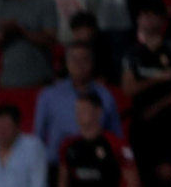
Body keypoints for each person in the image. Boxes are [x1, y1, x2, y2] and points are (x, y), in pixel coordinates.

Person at [121, 3, 171, 187]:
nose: (148, 20)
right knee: (145, 176)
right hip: (143, 123)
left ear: (163, 21)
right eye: (143, 15)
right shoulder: (132, 53)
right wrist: (159, 78)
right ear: (138, 21)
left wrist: (159, 106)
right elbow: (128, 88)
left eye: (153, 16)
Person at [34, 42, 123, 170]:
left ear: (92, 63)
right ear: (67, 63)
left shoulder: (105, 96)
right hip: (57, 166)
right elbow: (38, 137)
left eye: (84, 59)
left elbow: (116, 135)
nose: (79, 65)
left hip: (98, 166)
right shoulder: (48, 95)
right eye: (74, 59)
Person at [57, 93, 138, 187]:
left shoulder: (117, 145)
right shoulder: (68, 145)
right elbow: (63, 181)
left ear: (98, 112)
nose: (79, 114)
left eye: (84, 110)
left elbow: (133, 184)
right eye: (77, 110)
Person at [0, 0, 57, 89]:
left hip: (38, 79)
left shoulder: (45, 2)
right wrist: (2, 34)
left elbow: (50, 39)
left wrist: (21, 31)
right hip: (8, 80)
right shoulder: (4, 4)